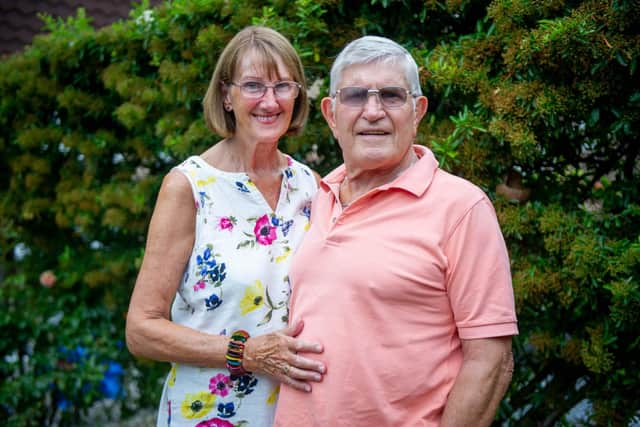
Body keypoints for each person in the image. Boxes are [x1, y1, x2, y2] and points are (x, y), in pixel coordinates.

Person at [273, 35, 518, 427]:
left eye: (391, 96)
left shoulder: (461, 208)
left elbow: (490, 361)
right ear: (331, 113)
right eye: (355, 96)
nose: (373, 112)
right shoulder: (315, 197)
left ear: (417, 111)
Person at [125, 26, 325, 427]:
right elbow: (141, 330)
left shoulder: (312, 186)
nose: (269, 101)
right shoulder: (190, 186)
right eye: (253, 86)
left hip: (297, 411)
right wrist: (244, 353)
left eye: (283, 86)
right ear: (225, 96)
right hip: (209, 412)